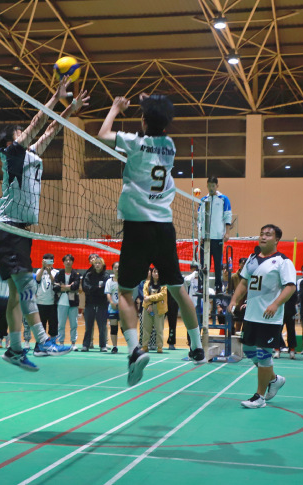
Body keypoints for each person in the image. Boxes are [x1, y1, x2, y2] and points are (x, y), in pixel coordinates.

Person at [97, 93, 205, 386]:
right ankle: (197, 347)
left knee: (125, 293)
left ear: (143, 120)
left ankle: (134, 350)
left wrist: (115, 108)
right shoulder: (169, 146)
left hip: (137, 227)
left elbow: (103, 134)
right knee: (178, 289)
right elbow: (158, 121)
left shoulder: (134, 142)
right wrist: (152, 104)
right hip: (164, 228)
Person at [0, 79, 86, 370]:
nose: (25, 133)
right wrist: (55, 97)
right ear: (11, 141)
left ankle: (14, 350)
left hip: (20, 232)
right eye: (19, 133)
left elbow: (51, 128)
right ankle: (43, 341)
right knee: (27, 285)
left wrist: (70, 109)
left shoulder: (31, 155)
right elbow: (38, 122)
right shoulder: (11, 154)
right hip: (9, 230)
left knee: (16, 296)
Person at [228, 224, 294, 408]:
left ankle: (259, 397)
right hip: (251, 315)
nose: (263, 237)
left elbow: (290, 286)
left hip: (269, 317)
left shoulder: (283, 261)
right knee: (249, 350)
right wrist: (234, 300)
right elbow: (244, 282)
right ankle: (274, 379)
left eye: (268, 235)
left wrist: (276, 304)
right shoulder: (252, 259)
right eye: (262, 234)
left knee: (264, 354)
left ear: (277, 240)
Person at [197, 176, 233, 294]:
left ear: (217, 186)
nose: (211, 188)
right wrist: (200, 235)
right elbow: (199, 219)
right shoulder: (203, 200)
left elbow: (227, 215)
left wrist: (227, 232)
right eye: (209, 185)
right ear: (207, 186)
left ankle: (218, 287)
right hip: (205, 239)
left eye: (213, 185)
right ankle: (201, 286)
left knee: (218, 264)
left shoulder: (223, 199)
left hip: (217, 238)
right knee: (203, 264)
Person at [82, 256, 111, 352]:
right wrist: (97, 288)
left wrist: (93, 289)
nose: (97, 265)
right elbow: (86, 288)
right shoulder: (89, 275)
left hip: (102, 305)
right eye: (96, 263)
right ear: (93, 265)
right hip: (90, 304)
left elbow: (104, 290)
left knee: (102, 326)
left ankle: (103, 345)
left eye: (99, 263)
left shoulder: (106, 276)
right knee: (88, 326)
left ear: (103, 265)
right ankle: (85, 345)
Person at [54, 254, 81, 349]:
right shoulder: (59, 274)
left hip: (73, 302)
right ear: (63, 262)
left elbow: (75, 286)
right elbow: (55, 287)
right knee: (61, 324)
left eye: (70, 260)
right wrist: (69, 287)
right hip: (61, 302)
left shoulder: (76, 274)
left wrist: (62, 286)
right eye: (66, 260)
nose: (68, 262)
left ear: (72, 262)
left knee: (74, 324)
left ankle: (73, 343)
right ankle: (61, 343)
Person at [33, 253, 58, 353]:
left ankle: (52, 344)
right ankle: (39, 345)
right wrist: (42, 268)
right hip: (40, 302)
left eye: (50, 261)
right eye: (46, 261)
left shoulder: (56, 272)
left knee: (53, 325)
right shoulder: (39, 271)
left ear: (53, 262)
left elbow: (55, 282)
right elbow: (37, 279)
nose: (48, 263)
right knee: (41, 326)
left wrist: (49, 272)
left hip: (52, 303)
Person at [141, 267, 168, 353]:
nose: (156, 274)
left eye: (158, 272)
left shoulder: (163, 284)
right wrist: (149, 304)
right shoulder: (147, 284)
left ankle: (159, 347)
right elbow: (145, 295)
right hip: (147, 308)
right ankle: (145, 346)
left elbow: (162, 295)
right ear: (152, 273)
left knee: (159, 329)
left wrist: (150, 298)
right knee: (146, 328)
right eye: (154, 272)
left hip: (159, 308)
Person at [105, 261, 121, 353]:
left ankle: (131, 347)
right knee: (113, 327)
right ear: (112, 269)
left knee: (124, 328)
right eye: (115, 267)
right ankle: (114, 347)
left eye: (119, 267)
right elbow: (108, 293)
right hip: (112, 308)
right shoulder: (109, 281)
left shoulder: (124, 281)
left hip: (123, 308)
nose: (117, 269)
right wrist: (112, 303)